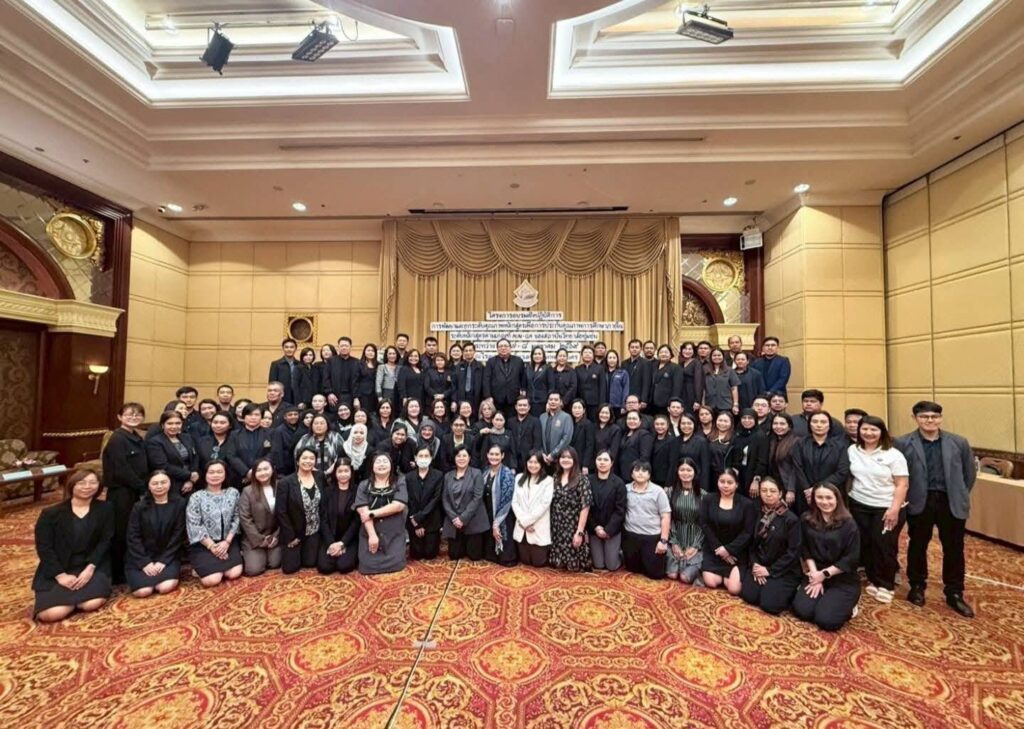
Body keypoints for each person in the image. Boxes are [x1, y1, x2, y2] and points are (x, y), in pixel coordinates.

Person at [896, 401, 976, 617]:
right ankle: (917, 585)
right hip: (919, 501)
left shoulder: (958, 442)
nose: (930, 420)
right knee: (917, 544)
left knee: (954, 548)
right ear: (915, 418)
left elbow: (969, 474)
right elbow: (898, 474)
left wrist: (959, 494)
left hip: (950, 501)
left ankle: (954, 592)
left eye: (934, 416)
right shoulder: (903, 443)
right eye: (924, 416)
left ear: (940, 418)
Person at [32, 469, 114, 622]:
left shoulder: (105, 508)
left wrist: (90, 568)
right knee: (51, 615)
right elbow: (44, 547)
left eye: (92, 483)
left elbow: (106, 540)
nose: (87, 487)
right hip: (60, 566)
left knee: (91, 604)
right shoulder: (51, 514)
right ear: (71, 485)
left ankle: (79, 597)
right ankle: (67, 599)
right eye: (81, 483)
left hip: (91, 564)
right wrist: (60, 575)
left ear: (99, 486)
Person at [848, 415, 909, 604]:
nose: (869, 433)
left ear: (882, 432)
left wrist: (894, 509)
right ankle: (874, 578)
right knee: (867, 543)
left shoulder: (893, 454)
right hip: (859, 503)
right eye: (865, 429)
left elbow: (902, 484)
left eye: (873, 429)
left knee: (884, 545)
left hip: (885, 506)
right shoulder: (853, 450)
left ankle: (886, 584)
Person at [792, 483, 861, 632]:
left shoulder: (849, 523)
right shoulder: (806, 518)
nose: (825, 502)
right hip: (815, 571)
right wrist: (814, 575)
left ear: (837, 499)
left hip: (841, 576)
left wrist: (823, 575)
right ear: (814, 499)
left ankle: (850, 606)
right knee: (803, 611)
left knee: (826, 620)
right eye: (820, 497)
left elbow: (851, 558)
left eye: (829, 498)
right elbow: (805, 548)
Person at [101, 401, 149, 584]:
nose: (134, 417)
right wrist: (142, 487)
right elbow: (121, 469)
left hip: (135, 490)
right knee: (121, 531)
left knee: (134, 529)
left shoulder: (136, 436)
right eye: (129, 414)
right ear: (120, 417)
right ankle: (116, 572)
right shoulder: (117, 439)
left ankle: (130, 565)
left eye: (138, 415)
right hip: (122, 492)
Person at [740, 477, 802, 615]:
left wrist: (770, 570)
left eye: (772, 491)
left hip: (783, 569)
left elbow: (793, 552)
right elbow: (751, 543)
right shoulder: (757, 512)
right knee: (749, 596)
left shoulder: (791, 519)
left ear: (780, 494)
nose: (768, 494)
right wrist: (755, 564)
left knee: (769, 605)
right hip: (761, 563)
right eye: (764, 490)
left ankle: (792, 591)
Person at [125, 471, 186, 597]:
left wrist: (163, 561)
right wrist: (145, 563)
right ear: (148, 485)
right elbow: (133, 536)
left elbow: (178, 534)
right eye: (155, 483)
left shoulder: (179, 503)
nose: (159, 486)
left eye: (163, 482)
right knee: (143, 591)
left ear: (170, 483)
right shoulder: (139, 507)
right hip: (141, 555)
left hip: (168, 554)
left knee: (165, 587)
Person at [186, 460, 243, 587]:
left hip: (228, 541)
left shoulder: (233, 492)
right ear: (205, 475)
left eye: (219, 472)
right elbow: (194, 524)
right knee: (212, 580)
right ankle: (199, 566)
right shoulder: (196, 497)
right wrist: (212, 546)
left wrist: (227, 542)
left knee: (234, 573)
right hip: (204, 544)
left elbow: (237, 517)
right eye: (211, 472)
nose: (215, 475)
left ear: (225, 474)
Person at [700, 469, 757, 595]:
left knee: (734, 589)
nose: (725, 485)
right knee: (711, 582)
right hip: (714, 549)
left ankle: (729, 577)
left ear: (736, 484)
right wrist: (720, 549)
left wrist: (729, 550)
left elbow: (748, 532)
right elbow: (704, 524)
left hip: (737, 552)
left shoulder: (747, 504)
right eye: (722, 481)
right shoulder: (708, 499)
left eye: (730, 482)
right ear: (717, 482)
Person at [353, 453, 409, 575]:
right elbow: (363, 511)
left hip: (393, 534)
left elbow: (399, 505)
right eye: (378, 462)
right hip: (370, 533)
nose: (381, 464)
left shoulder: (399, 481)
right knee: (367, 566)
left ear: (391, 465)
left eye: (385, 461)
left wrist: (372, 513)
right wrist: (372, 535)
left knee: (397, 564)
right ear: (372, 466)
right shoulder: (364, 485)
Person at [276, 448, 324, 574]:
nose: (308, 461)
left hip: (314, 530)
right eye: (304, 458)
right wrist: (290, 535)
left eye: (312, 458)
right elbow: (281, 512)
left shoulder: (320, 476)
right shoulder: (285, 482)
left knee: (310, 563)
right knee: (290, 568)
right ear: (297, 461)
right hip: (294, 531)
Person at [621, 460, 671, 579]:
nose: (640, 473)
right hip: (631, 536)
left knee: (655, 575)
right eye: (637, 470)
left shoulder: (658, 491)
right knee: (632, 569)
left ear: (649, 474)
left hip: (651, 537)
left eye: (644, 470)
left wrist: (663, 541)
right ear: (631, 474)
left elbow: (665, 516)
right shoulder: (625, 489)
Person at [792, 411, 851, 513]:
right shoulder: (800, 443)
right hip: (806, 494)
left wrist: (818, 489)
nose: (819, 425)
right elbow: (798, 468)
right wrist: (808, 490)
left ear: (829, 425)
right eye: (815, 421)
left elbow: (842, 471)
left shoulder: (840, 446)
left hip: (831, 493)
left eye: (823, 422)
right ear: (809, 424)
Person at [548, 447, 593, 572]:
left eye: (569, 457)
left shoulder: (582, 479)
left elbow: (585, 506)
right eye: (563, 457)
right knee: (557, 565)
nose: (565, 460)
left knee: (574, 567)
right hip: (557, 524)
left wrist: (580, 532)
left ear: (575, 460)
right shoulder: (555, 477)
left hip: (573, 525)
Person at [442, 445, 488, 560]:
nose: (461, 458)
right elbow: (445, 499)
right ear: (454, 458)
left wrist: (463, 518)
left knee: (475, 556)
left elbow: (477, 498)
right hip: (454, 520)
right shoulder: (448, 476)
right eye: (458, 456)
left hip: (472, 519)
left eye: (464, 456)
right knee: (454, 555)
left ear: (469, 458)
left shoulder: (476, 473)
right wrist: (454, 518)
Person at [237, 458, 282, 576]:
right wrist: (260, 540)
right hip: (254, 538)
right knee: (254, 569)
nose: (263, 473)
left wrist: (276, 536)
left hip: (274, 536)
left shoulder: (281, 486)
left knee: (275, 563)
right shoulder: (247, 491)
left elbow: (286, 514)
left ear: (272, 469)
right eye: (259, 470)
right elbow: (245, 518)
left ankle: (268, 553)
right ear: (254, 473)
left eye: (266, 469)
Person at [316, 458, 360, 574]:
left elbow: (356, 522)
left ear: (351, 472)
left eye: (346, 471)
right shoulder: (327, 491)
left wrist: (342, 543)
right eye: (340, 471)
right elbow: (323, 519)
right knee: (324, 567)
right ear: (335, 473)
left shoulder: (357, 491)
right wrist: (331, 543)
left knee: (344, 566)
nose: (343, 474)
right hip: (330, 537)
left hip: (349, 538)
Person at [511, 451, 554, 567]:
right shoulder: (519, 478)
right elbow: (514, 502)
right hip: (522, 527)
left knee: (538, 563)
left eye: (536, 462)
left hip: (537, 527)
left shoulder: (548, 480)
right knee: (525, 561)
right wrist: (523, 522)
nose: (533, 465)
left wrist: (527, 522)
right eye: (530, 462)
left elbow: (544, 504)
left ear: (541, 464)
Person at [587, 450, 627, 571]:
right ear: (595, 461)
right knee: (598, 565)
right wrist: (595, 527)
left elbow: (620, 510)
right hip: (594, 528)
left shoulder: (619, 483)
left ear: (612, 463)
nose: (602, 462)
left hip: (612, 529)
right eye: (599, 459)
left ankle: (620, 554)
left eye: (605, 460)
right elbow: (585, 508)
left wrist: (608, 529)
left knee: (611, 566)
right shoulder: (588, 480)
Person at [146, 411, 199, 498]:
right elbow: (162, 466)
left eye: (178, 423)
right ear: (163, 425)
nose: (174, 427)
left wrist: (191, 480)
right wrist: (189, 475)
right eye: (170, 423)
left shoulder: (187, 437)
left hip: (190, 483)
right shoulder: (155, 442)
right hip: (170, 484)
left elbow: (195, 458)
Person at [666, 458, 703, 584]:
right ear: (677, 471)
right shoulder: (670, 492)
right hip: (675, 536)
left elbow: (704, 524)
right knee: (672, 575)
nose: (685, 473)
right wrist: (674, 543)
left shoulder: (703, 495)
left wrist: (695, 546)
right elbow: (668, 519)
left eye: (689, 470)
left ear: (695, 472)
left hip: (695, 539)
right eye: (682, 470)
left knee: (685, 577)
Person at [405, 446, 444, 560]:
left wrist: (420, 517)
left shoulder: (439, 475)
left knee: (430, 554)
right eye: (420, 456)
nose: (423, 458)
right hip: (414, 520)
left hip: (431, 519)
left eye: (426, 456)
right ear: (415, 458)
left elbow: (436, 499)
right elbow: (410, 501)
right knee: (416, 555)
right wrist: (417, 524)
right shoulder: (408, 477)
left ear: (431, 458)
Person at [482, 444, 518, 566]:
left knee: (506, 558)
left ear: (502, 456)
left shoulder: (507, 474)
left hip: (504, 514)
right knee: (489, 555)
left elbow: (507, 500)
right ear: (487, 455)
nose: (494, 457)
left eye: (497, 454)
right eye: (491, 454)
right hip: (488, 512)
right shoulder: (485, 472)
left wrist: (497, 523)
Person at [223, 403, 272, 488]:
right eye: (249, 414)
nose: (253, 417)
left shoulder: (271, 433)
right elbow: (231, 455)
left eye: (256, 415)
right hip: (240, 478)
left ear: (261, 417)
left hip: (264, 476)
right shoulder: (234, 435)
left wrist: (257, 471)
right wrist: (246, 472)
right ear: (243, 417)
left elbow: (272, 453)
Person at [484, 338, 528, 418]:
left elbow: (523, 377)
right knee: (498, 420)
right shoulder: (491, 361)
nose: (503, 348)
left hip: (514, 398)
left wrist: (523, 390)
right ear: (497, 349)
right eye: (501, 346)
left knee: (512, 420)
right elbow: (486, 379)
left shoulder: (518, 361)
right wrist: (488, 396)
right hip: (496, 399)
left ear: (510, 348)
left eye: (505, 346)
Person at [732, 409, 769, 498]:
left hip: (752, 474)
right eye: (744, 418)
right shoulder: (738, 434)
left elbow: (762, 461)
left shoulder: (760, 436)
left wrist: (756, 480)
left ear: (755, 419)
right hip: (738, 474)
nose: (747, 420)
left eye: (750, 418)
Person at [767, 413, 801, 502]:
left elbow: (796, 468)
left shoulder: (795, 442)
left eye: (782, 424)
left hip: (788, 485)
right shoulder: (771, 440)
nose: (778, 426)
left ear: (789, 426)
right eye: (775, 423)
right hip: (774, 484)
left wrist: (791, 489)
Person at [539, 392, 574, 469]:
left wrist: (553, 454)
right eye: (551, 399)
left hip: (559, 459)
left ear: (560, 402)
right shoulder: (542, 417)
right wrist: (542, 453)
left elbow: (566, 438)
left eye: (556, 400)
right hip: (544, 459)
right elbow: (538, 437)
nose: (553, 402)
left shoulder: (566, 417)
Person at [678, 414, 711, 494]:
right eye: (683, 423)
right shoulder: (675, 441)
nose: (686, 426)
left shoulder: (701, 442)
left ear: (694, 424)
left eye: (689, 423)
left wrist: (703, 488)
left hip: (696, 483)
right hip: (678, 482)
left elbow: (705, 466)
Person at [617, 411, 654, 481]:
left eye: (634, 419)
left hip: (635, 473)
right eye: (629, 418)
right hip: (623, 472)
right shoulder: (625, 433)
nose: (631, 421)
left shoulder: (644, 434)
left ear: (640, 421)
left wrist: (637, 472)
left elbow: (644, 457)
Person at [509, 395, 543, 470]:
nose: (522, 407)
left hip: (529, 460)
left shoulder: (535, 421)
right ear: (516, 407)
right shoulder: (510, 422)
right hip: (513, 461)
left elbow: (537, 443)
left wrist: (532, 459)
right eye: (520, 405)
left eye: (524, 405)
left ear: (529, 407)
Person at [702, 348, 740, 415]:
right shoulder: (705, 369)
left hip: (726, 404)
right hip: (709, 405)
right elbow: (703, 389)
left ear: (723, 356)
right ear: (711, 357)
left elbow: (734, 388)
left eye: (719, 355)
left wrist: (735, 404)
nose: (717, 357)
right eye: (714, 355)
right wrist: (703, 404)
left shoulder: (729, 370)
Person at [575, 345, 606, 422]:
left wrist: (601, 404)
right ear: (582, 355)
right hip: (581, 402)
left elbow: (602, 387)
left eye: (590, 353)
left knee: (594, 423)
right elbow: (576, 386)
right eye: (585, 352)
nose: (587, 354)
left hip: (595, 403)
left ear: (593, 355)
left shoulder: (599, 368)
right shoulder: (577, 369)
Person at [453, 342, 485, 416]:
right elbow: (454, 385)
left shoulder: (480, 367)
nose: (468, 352)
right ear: (463, 352)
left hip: (476, 398)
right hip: (461, 398)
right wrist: (454, 400)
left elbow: (484, 384)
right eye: (466, 351)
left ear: (474, 351)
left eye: (470, 350)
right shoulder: (458, 367)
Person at [269, 406, 302, 477]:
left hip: (300, 465)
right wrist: (280, 470)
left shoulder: (301, 428)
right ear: (285, 417)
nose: (293, 417)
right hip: (286, 468)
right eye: (290, 415)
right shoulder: (279, 431)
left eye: (295, 414)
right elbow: (277, 451)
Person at [650, 345, 683, 415]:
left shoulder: (676, 368)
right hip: (652, 401)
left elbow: (677, 387)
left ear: (671, 354)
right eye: (661, 352)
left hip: (666, 402)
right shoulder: (653, 366)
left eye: (666, 352)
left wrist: (673, 402)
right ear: (658, 354)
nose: (663, 354)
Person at [649, 415, 680, 488]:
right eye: (657, 424)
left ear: (667, 425)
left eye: (662, 424)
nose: (659, 426)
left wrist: (668, 484)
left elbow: (672, 463)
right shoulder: (651, 439)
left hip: (664, 479)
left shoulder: (673, 440)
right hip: (651, 478)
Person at [327, 336, 359, 407]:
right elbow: (326, 378)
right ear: (338, 347)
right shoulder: (331, 361)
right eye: (342, 346)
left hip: (351, 396)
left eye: (346, 346)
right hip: (334, 396)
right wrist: (329, 393)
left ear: (350, 347)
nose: (344, 348)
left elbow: (358, 381)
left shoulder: (356, 362)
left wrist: (356, 397)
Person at [707, 411, 736, 489]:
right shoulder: (709, 437)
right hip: (710, 476)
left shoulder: (734, 439)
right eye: (720, 420)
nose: (722, 423)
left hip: (725, 476)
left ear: (731, 423)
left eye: (725, 421)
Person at [622, 339, 651, 412]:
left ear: (641, 349)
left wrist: (644, 399)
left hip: (639, 398)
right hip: (626, 397)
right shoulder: (624, 363)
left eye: (637, 347)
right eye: (632, 347)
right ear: (629, 349)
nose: (634, 349)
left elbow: (646, 383)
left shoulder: (646, 363)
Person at [269, 337, 300, 405]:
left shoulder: (300, 364)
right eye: (286, 347)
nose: (289, 349)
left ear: (295, 349)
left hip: (297, 398)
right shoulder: (276, 364)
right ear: (283, 348)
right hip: (281, 398)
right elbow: (272, 383)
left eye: (291, 347)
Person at [569, 399, 597, 474]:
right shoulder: (570, 423)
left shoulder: (588, 424)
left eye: (579, 408)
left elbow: (590, 446)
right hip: (571, 460)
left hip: (582, 462)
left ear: (584, 410)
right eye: (574, 408)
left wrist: (585, 464)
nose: (577, 410)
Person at [678, 341, 705, 415]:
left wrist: (698, 400)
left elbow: (699, 382)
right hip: (682, 392)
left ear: (694, 351)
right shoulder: (681, 364)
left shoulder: (696, 363)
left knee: (690, 415)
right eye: (685, 349)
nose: (687, 351)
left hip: (691, 392)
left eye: (690, 349)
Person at [525, 346, 552, 417]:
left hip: (542, 402)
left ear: (543, 356)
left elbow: (551, 387)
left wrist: (549, 402)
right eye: (535, 354)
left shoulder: (548, 368)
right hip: (529, 402)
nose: (537, 356)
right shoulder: (528, 368)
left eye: (539, 354)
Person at [354, 343, 379, 415]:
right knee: (364, 413)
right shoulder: (359, 364)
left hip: (375, 395)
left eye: (372, 351)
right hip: (363, 395)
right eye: (368, 350)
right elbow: (355, 381)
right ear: (364, 352)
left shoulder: (378, 365)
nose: (370, 352)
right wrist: (356, 397)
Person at [605, 349, 630, 414]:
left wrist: (623, 406)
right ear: (606, 359)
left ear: (617, 360)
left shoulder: (623, 373)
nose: (612, 360)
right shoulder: (603, 373)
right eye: (610, 358)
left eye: (614, 358)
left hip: (617, 405)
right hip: (605, 405)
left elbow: (625, 390)